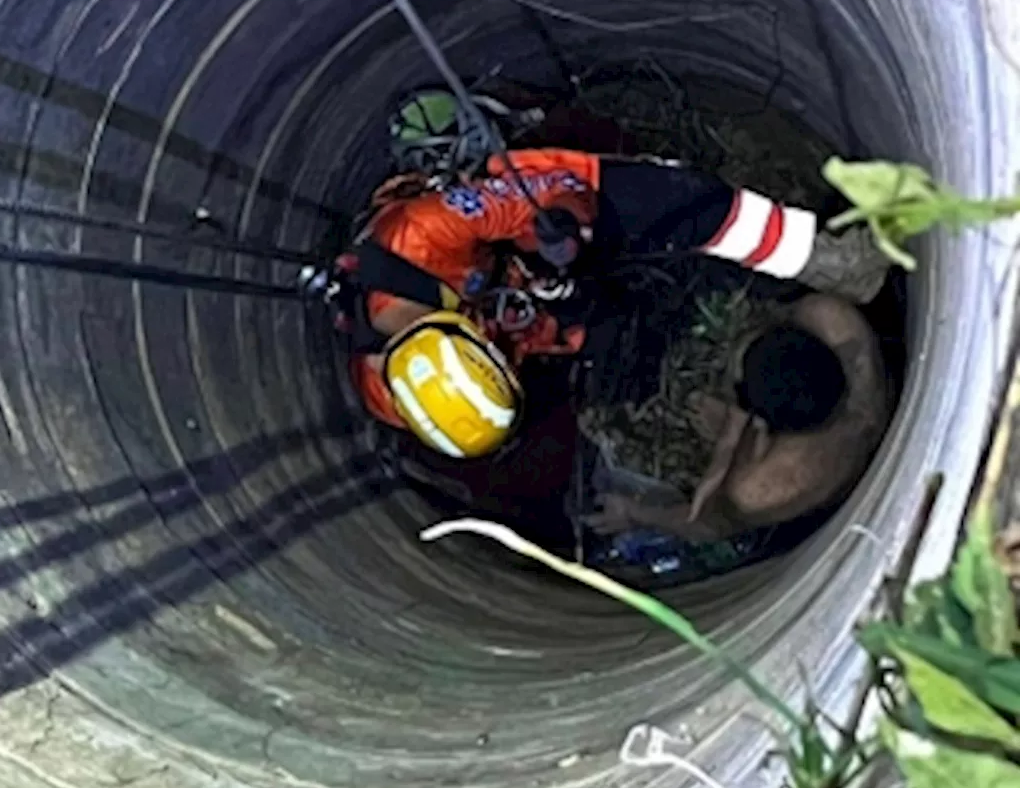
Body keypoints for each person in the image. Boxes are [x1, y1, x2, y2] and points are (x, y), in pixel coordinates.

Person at [339, 146, 887, 460]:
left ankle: (821, 258)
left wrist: (559, 230)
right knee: (605, 335)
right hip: (518, 299)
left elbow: (547, 188)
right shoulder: (427, 404)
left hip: (507, 240)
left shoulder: (422, 235)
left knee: (668, 202)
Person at [586, 293, 891, 542]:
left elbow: (707, 524)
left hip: (836, 483)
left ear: (761, 424)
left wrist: (634, 514)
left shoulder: (765, 485)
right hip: (850, 425)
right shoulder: (835, 323)